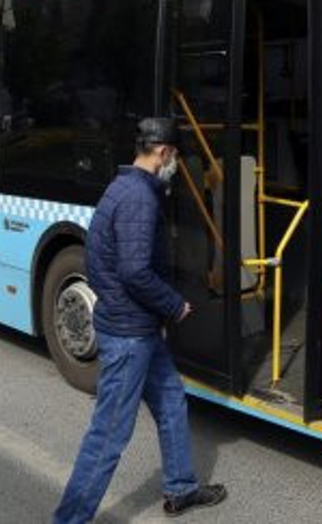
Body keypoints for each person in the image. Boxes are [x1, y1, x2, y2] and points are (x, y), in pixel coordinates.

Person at [52, 117, 227, 523]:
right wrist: (173, 305)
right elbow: (134, 271)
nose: (175, 165)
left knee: (170, 402)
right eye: (175, 157)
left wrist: (125, 306)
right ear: (163, 152)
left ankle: (181, 489)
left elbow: (98, 261)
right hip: (131, 336)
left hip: (137, 328)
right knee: (109, 435)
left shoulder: (122, 187)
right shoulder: (140, 199)